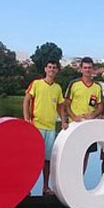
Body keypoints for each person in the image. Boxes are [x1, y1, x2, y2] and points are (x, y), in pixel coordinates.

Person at [23, 59, 64, 195]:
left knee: (47, 160)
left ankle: (45, 187)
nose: (52, 70)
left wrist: (64, 121)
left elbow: (60, 106)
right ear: (45, 69)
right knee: (32, 159)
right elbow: (27, 100)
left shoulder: (57, 88)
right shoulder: (37, 84)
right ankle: (26, 188)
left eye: (54, 68)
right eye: (50, 67)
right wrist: (26, 118)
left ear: (57, 70)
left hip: (51, 128)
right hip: (37, 126)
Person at [64, 56, 104, 170]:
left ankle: (81, 179)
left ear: (93, 69)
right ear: (81, 69)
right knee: (73, 153)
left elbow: (100, 107)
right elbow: (66, 104)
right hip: (75, 125)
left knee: (86, 154)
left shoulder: (97, 87)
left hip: (89, 126)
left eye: (89, 68)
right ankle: (69, 178)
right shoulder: (74, 84)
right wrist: (73, 117)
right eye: (85, 67)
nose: (87, 70)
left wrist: (93, 115)